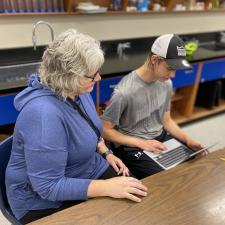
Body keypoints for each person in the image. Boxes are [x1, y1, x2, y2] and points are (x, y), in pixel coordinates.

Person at [5, 29, 147, 224]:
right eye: (92, 75)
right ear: (68, 76)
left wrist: (106, 152)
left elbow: (88, 128)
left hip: (85, 168)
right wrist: (107, 187)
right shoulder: (43, 116)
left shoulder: (77, 90)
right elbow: (48, 186)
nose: (98, 78)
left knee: (138, 202)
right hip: (42, 200)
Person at [101, 34, 204, 179]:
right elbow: (105, 131)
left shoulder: (166, 83)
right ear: (154, 59)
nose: (173, 75)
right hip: (133, 146)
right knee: (171, 179)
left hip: (159, 139)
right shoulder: (124, 92)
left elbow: (166, 121)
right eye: (170, 68)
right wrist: (142, 143)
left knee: (195, 165)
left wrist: (188, 140)